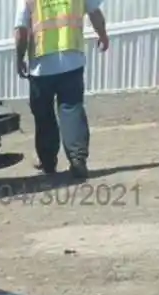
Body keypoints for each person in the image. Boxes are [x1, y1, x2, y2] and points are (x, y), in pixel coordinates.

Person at [14, 0, 110, 179]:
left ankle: (48, 162)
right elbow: (94, 13)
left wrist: (19, 58)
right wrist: (103, 35)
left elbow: (21, 29)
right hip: (71, 58)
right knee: (72, 108)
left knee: (44, 115)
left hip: (41, 64)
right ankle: (78, 159)